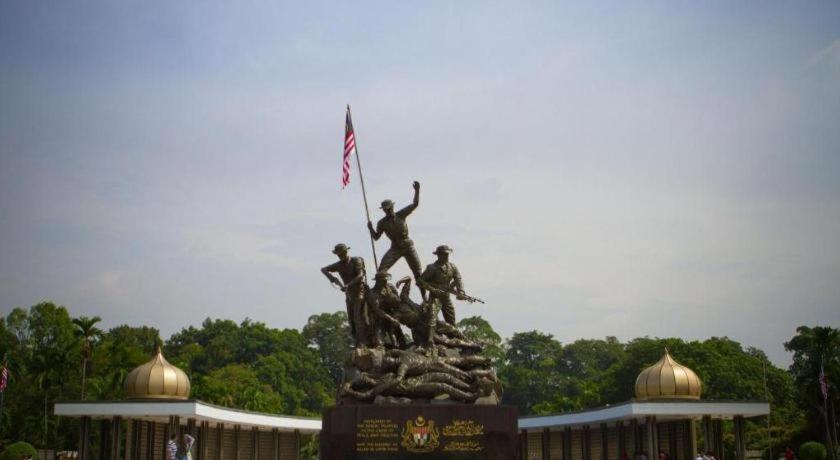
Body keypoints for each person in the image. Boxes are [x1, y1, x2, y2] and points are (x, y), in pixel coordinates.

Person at [367, 181, 425, 296]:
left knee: (418, 273)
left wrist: (417, 191)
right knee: (381, 270)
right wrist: (371, 228)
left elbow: (415, 204)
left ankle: (425, 299)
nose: (387, 210)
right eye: (385, 209)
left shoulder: (401, 214)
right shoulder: (382, 223)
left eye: (389, 208)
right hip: (395, 248)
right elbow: (376, 237)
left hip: (408, 246)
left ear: (392, 207)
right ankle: (382, 293)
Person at [321, 243, 368, 346]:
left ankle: (363, 341)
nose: (340, 256)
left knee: (357, 316)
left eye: (342, 254)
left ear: (346, 252)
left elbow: (360, 275)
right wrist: (332, 278)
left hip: (360, 291)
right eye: (338, 255)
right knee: (351, 320)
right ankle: (357, 341)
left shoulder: (355, 260)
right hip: (349, 295)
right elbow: (323, 269)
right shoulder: (338, 265)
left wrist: (348, 285)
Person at [418, 245, 466, 325]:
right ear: (438, 255)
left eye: (447, 254)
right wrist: (433, 290)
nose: (447, 256)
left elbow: (458, 279)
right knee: (431, 320)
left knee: (451, 322)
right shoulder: (432, 268)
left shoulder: (452, 267)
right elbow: (420, 281)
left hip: (446, 297)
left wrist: (461, 291)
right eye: (444, 254)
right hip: (435, 297)